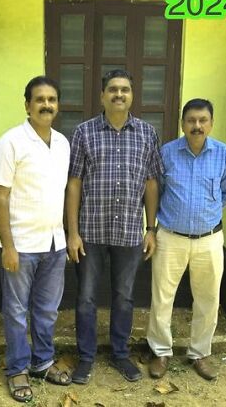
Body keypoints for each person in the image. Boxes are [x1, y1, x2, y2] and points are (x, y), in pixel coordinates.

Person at [66, 69, 163, 384]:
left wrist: (151, 228)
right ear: (102, 96)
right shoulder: (84, 132)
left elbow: (151, 183)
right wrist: (73, 232)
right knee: (86, 297)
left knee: (124, 296)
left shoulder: (147, 134)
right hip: (90, 231)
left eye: (124, 89)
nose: (118, 94)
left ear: (132, 95)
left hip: (130, 232)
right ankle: (86, 357)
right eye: (112, 89)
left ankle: (120, 354)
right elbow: (74, 183)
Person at [0, 76, 71, 403]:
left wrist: (66, 236)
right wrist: (7, 245)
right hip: (20, 245)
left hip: (54, 243)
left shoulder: (63, 143)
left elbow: (62, 192)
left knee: (47, 310)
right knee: (16, 311)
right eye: (39, 99)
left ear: (57, 105)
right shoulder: (10, 142)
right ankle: (18, 369)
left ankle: (42, 362)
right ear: (27, 105)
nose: (46, 105)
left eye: (52, 99)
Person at [146, 98, 226, 381]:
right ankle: (161, 352)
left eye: (202, 120)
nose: (197, 126)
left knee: (208, 298)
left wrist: (203, 214)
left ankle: (200, 353)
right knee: (162, 297)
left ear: (211, 123)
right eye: (191, 121)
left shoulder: (224, 154)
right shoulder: (167, 153)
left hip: (209, 239)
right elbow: (155, 190)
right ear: (182, 123)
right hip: (171, 237)